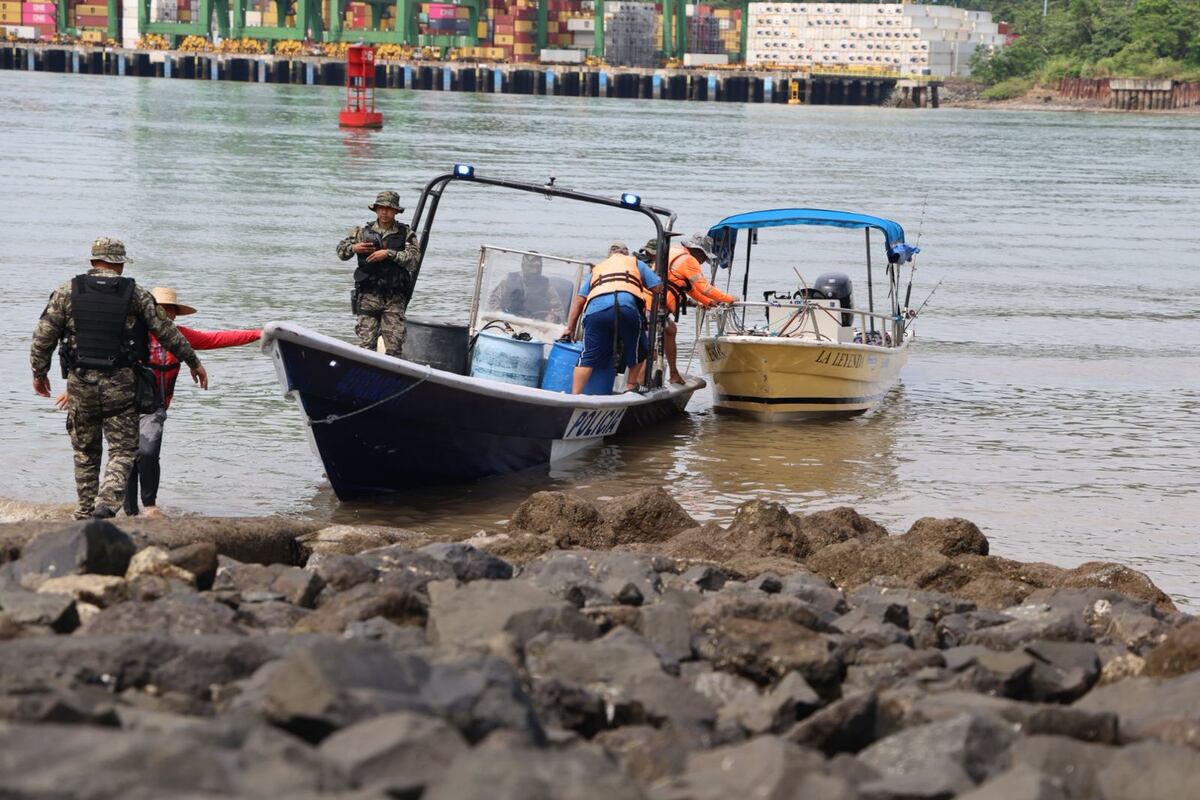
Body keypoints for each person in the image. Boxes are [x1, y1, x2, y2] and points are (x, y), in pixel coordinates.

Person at [30, 237, 208, 520]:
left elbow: (43, 338)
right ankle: (106, 505)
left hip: (80, 384)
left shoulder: (66, 292)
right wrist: (193, 361)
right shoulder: (136, 294)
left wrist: (39, 374)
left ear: (92, 262)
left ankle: (85, 512)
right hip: (121, 385)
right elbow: (167, 332)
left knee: (86, 452)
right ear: (121, 264)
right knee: (123, 450)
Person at [120, 287, 261, 518]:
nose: (165, 314)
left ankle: (150, 506)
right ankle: (130, 512)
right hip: (124, 402)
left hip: (154, 406)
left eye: (170, 310)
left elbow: (215, 339)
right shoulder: (133, 334)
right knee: (128, 456)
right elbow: (103, 359)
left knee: (147, 452)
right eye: (160, 308)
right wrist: (73, 391)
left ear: (175, 314)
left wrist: (257, 334)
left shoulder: (180, 337)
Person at [562, 244, 661, 394]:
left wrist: (569, 328)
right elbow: (657, 287)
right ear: (627, 255)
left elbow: (579, 300)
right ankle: (631, 385)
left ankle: (575, 395)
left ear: (609, 256)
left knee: (588, 354)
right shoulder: (635, 262)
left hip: (596, 312)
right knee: (640, 348)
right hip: (626, 309)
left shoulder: (599, 268)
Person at [642, 233, 738, 384]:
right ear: (697, 251)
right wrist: (729, 298)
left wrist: (707, 302)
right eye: (704, 257)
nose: (703, 261)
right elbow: (704, 288)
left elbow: (689, 288)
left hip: (648, 301)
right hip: (651, 306)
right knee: (650, 346)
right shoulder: (689, 260)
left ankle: (673, 374)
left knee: (670, 329)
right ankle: (643, 382)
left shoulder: (673, 252)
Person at [336, 190, 420, 356]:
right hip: (368, 296)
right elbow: (341, 252)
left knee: (394, 347)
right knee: (366, 346)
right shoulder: (361, 232)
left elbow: (413, 260)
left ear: (396, 211)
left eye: (388, 209)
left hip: (394, 299)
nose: (384, 212)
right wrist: (353, 248)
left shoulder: (406, 234)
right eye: (381, 208)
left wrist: (389, 253)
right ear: (375, 209)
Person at [487, 252, 571, 322]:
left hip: (535, 326)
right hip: (509, 324)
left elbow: (559, 310)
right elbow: (493, 301)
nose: (535, 271)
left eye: (538, 267)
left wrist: (554, 318)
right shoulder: (508, 280)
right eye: (531, 267)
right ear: (523, 266)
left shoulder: (547, 286)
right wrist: (501, 315)